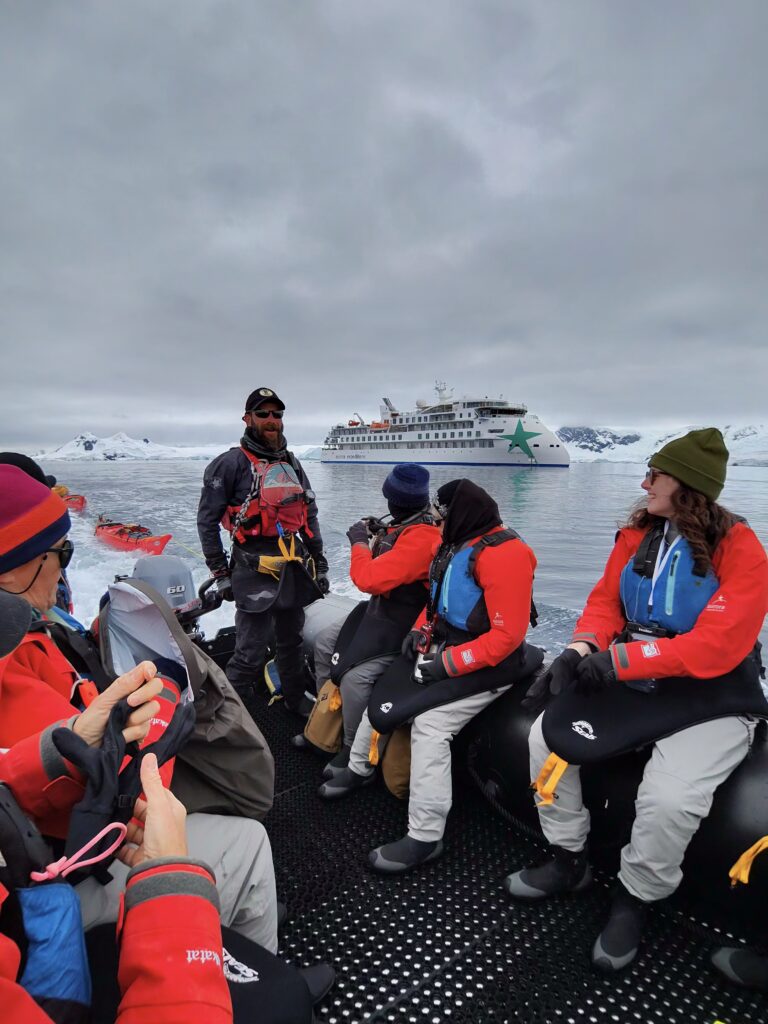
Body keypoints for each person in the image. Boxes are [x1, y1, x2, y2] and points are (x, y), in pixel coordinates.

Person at [505, 428, 768, 972]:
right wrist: (580, 649)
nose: (644, 483)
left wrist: (621, 662)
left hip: (712, 691)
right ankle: (567, 858)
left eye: (656, 475)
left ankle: (635, 898)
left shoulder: (743, 549)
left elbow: (719, 645)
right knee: (545, 742)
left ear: (689, 486)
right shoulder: (636, 535)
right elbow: (605, 603)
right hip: (633, 674)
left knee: (670, 798)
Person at [321, 479, 541, 873]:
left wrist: (449, 665)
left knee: (430, 726)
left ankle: (425, 836)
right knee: (386, 690)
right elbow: (435, 599)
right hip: (445, 643)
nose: (436, 520)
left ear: (462, 514)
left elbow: (508, 637)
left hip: (492, 660)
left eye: (443, 513)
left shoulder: (505, 555)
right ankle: (359, 768)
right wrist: (418, 630)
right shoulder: (453, 544)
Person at [197, 388, 327, 716]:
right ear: (247, 419)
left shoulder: (292, 463)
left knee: (291, 643)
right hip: (251, 570)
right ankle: (226, 719)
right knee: (250, 652)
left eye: (277, 415)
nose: (272, 420)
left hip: (292, 566)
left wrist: (320, 564)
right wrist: (220, 574)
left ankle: (296, 700)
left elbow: (309, 516)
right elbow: (207, 521)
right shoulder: (228, 464)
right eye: (263, 414)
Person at [310, 464, 441, 777]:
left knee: (357, 680)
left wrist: (358, 541)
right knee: (325, 644)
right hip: (377, 613)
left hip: (403, 623)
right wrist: (379, 536)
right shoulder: (403, 528)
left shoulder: (423, 538)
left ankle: (351, 746)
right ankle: (325, 720)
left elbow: (368, 579)